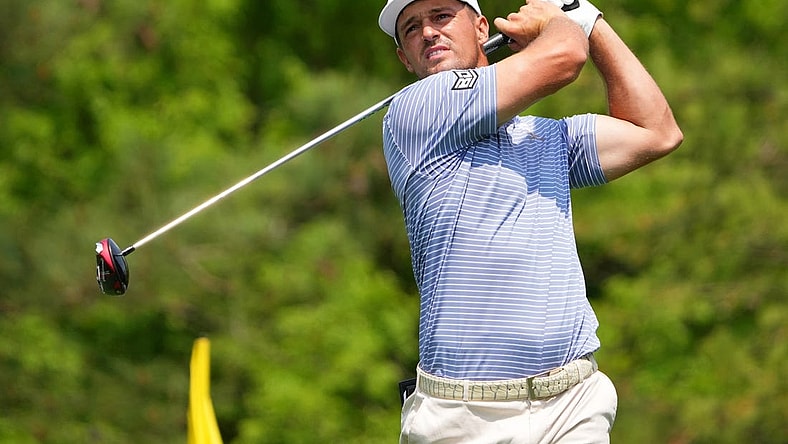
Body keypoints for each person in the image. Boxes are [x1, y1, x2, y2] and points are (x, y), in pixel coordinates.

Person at [377, 0, 683, 442]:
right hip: (462, 415)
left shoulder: (547, 138)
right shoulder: (416, 111)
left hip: (571, 401)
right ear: (405, 59)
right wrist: (560, 22)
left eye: (441, 16)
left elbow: (657, 131)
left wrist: (592, 22)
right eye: (411, 28)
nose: (428, 32)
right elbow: (564, 58)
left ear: (482, 28)